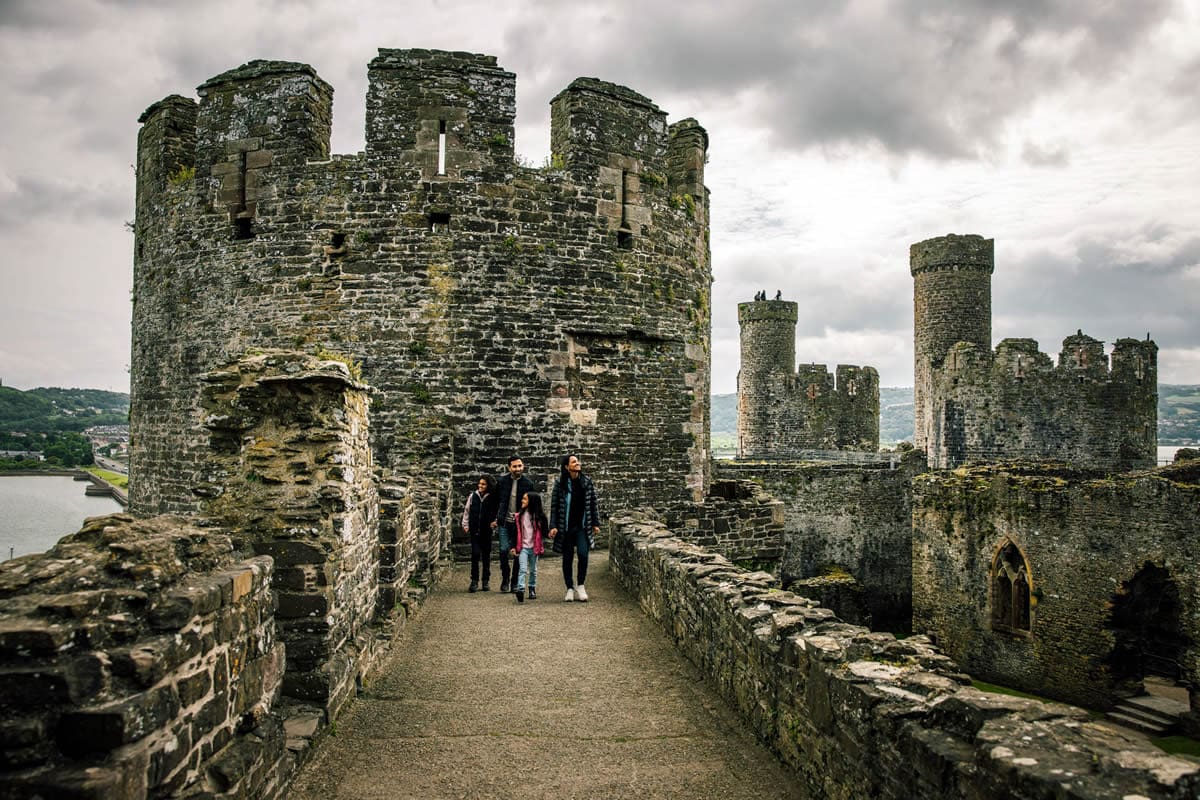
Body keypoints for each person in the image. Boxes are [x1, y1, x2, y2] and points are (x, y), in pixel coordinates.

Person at [548, 454, 601, 602]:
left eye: (577, 461)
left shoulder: (586, 481)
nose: (577, 463)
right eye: (574, 462)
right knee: (568, 558)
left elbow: (593, 503)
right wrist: (553, 526)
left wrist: (595, 523)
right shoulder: (560, 483)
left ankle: (581, 585)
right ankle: (569, 588)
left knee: (583, 554)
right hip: (565, 528)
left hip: (582, 527)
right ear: (567, 467)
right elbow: (554, 507)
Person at [492, 455, 534, 593]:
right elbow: (496, 501)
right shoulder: (502, 482)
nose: (518, 469)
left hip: (519, 524)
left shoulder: (528, 484)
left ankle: (514, 581)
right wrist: (495, 518)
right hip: (504, 521)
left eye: (520, 466)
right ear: (509, 467)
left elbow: (532, 504)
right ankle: (505, 578)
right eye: (515, 466)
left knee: (518, 552)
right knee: (504, 550)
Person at [461, 474, 498, 592]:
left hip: (486, 531)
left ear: (488, 486)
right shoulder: (473, 496)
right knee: (475, 554)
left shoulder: (492, 498)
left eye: (483, 484)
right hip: (475, 530)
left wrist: (495, 521)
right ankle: (474, 580)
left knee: (486, 556)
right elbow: (467, 511)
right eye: (479, 484)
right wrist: (465, 524)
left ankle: (485, 580)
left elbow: (497, 511)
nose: (480, 486)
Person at [509, 492, 548, 603]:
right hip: (523, 547)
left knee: (533, 570)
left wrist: (551, 533)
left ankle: (531, 588)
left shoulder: (539, 517)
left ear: (532, 502)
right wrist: (513, 546)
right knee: (522, 569)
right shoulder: (519, 516)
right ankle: (520, 589)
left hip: (534, 547)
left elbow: (545, 532)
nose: (522, 501)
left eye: (525, 499)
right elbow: (515, 532)